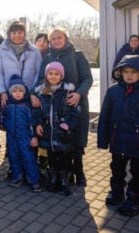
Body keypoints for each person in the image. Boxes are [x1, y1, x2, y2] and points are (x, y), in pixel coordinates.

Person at [97, 54, 139, 217]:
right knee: (117, 169)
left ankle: (134, 200)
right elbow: (105, 116)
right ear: (119, 72)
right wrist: (102, 140)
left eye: (133, 72)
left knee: (137, 172)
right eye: (126, 71)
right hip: (118, 141)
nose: (129, 75)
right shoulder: (113, 91)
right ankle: (117, 192)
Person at [36, 27, 93, 186]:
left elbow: (87, 78)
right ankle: (62, 172)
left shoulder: (77, 55)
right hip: (56, 105)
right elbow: (41, 79)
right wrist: (36, 93)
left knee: (77, 137)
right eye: (53, 38)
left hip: (75, 103)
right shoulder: (47, 57)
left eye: (59, 37)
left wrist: (79, 93)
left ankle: (78, 169)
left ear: (66, 38)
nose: (56, 40)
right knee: (60, 136)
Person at [33, 62, 80, 196]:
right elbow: (36, 110)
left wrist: (68, 125)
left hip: (63, 132)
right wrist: (38, 124)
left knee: (65, 156)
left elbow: (75, 111)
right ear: (46, 75)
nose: (53, 76)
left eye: (56, 74)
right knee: (52, 156)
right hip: (49, 132)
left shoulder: (67, 91)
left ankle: (64, 180)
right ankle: (53, 178)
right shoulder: (41, 91)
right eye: (50, 73)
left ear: (61, 76)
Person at [1, 75, 41, 193]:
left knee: (28, 158)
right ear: (10, 93)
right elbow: (2, 117)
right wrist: (3, 125)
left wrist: (34, 137)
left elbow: (33, 122)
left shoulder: (28, 106)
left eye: (20, 91)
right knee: (14, 157)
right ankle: (17, 177)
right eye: (14, 91)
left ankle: (33, 180)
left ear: (25, 92)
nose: (17, 93)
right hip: (12, 137)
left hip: (26, 138)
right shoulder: (8, 106)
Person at [0, 21, 42, 108]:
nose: (17, 36)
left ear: (24, 34)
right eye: (14, 33)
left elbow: (38, 72)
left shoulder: (34, 50)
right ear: (9, 34)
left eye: (20, 33)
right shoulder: (1, 50)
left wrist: (33, 92)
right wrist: (2, 91)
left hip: (29, 94)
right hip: (9, 93)